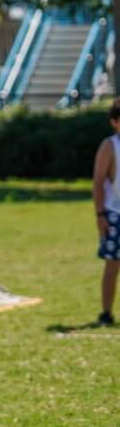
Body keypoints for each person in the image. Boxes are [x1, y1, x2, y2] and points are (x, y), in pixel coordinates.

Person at [92, 97, 120, 325]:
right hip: (115, 214)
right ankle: (106, 313)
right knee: (113, 264)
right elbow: (98, 181)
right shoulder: (110, 146)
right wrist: (100, 214)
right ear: (114, 122)